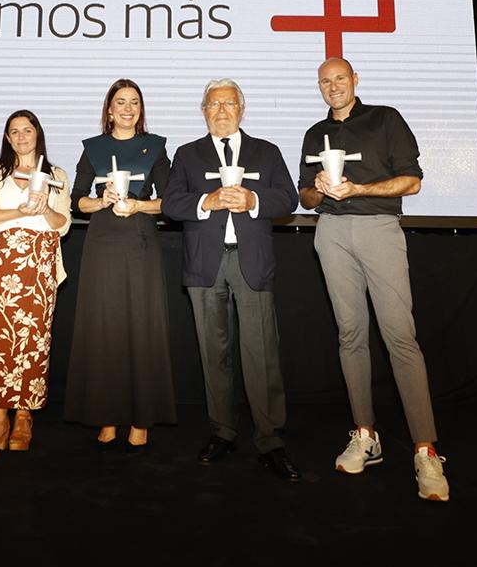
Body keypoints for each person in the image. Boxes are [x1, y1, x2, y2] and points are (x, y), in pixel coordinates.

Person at [298, 57, 449, 502]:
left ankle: (426, 450)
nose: (333, 87)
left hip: (379, 228)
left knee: (400, 336)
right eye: (325, 82)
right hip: (330, 232)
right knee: (350, 334)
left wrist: (360, 189)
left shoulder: (385, 118)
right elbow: (305, 195)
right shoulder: (313, 134)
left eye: (340, 78)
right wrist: (319, 190)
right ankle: (366, 434)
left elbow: (413, 182)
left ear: (355, 80)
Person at [161, 78, 301, 482]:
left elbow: (287, 199)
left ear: (241, 109)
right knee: (213, 353)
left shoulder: (266, 151)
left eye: (229, 104)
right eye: (213, 104)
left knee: (261, 354)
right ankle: (222, 432)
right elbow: (172, 203)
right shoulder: (187, 155)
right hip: (205, 265)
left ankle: (270, 439)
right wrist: (208, 201)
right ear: (203, 111)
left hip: (251, 263)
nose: (221, 111)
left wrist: (253, 200)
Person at [64, 79, 175, 453]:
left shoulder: (156, 147)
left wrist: (140, 205)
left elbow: (172, 201)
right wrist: (102, 199)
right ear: (109, 109)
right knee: (104, 328)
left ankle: (142, 419)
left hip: (141, 241)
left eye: (134, 103)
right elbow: (75, 201)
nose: (127, 108)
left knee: (141, 327)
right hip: (102, 242)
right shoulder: (92, 149)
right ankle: (106, 415)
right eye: (120, 102)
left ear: (141, 110)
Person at [0, 111, 72, 458]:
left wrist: (42, 210)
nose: (21, 136)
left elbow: (64, 225)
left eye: (27, 130)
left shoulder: (56, 176)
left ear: (37, 134)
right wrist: (21, 212)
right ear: (8, 138)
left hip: (39, 267)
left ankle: (24, 418)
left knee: (32, 342)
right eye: (14, 132)